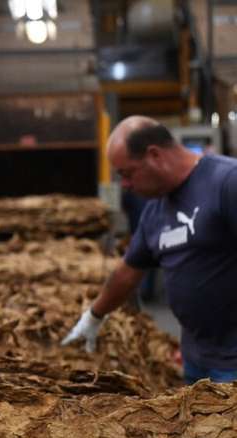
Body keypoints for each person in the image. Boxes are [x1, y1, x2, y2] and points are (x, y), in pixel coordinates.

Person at [61, 115, 237, 384]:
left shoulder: (225, 183)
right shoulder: (155, 211)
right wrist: (94, 316)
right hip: (197, 359)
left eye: (127, 173)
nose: (126, 185)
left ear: (154, 155)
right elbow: (128, 273)